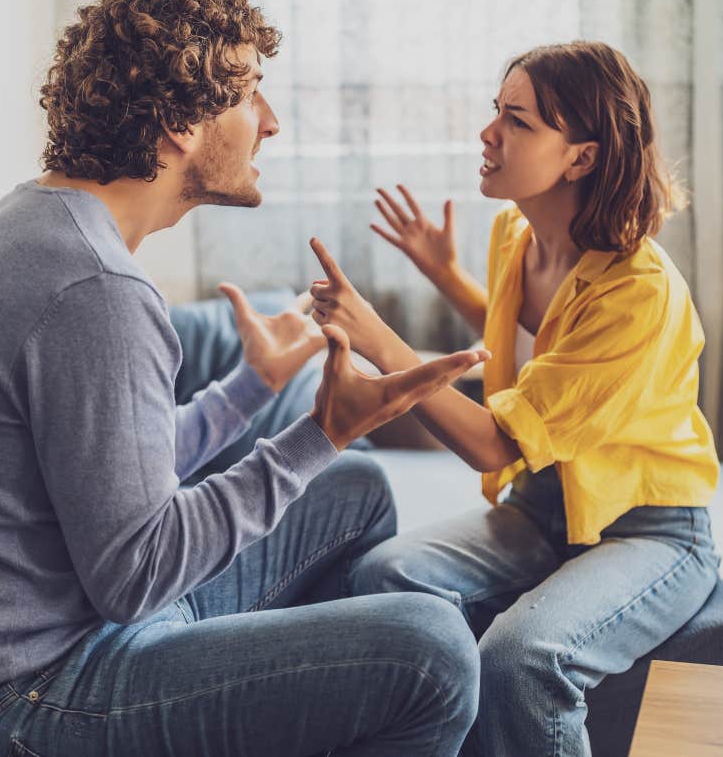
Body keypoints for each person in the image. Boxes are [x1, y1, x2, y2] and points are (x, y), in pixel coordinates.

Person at [0, 0, 489, 757]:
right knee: (433, 650)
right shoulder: (94, 287)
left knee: (355, 490)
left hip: (65, 636)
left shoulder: (36, 223)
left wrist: (253, 388)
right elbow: (136, 573)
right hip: (33, 692)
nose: (270, 122)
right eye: (249, 94)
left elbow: (108, 472)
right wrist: (321, 431)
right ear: (179, 123)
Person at [307, 41, 721, 757]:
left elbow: (498, 441)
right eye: (496, 112)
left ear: (580, 157)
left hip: (649, 530)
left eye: (518, 121)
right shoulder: (516, 235)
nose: (487, 133)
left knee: (522, 657)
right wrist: (445, 273)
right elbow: (533, 344)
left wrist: (383, 342)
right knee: (385, 575)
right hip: (541, 506)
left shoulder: (639, 293)